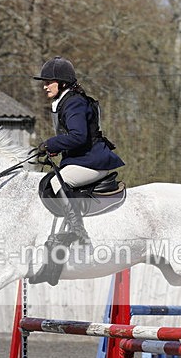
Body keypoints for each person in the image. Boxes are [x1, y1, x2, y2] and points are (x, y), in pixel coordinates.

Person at [33, 56, 124, 242]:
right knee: (49, 180)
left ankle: (78, 231)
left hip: (93, 162)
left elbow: (78, 136)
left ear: (62, 83)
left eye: (49, 82)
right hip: (84, 160)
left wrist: (50, 144)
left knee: (57, 182)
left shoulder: (74, 102)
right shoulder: (67, 101)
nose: (45, 86)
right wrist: (53, 149)